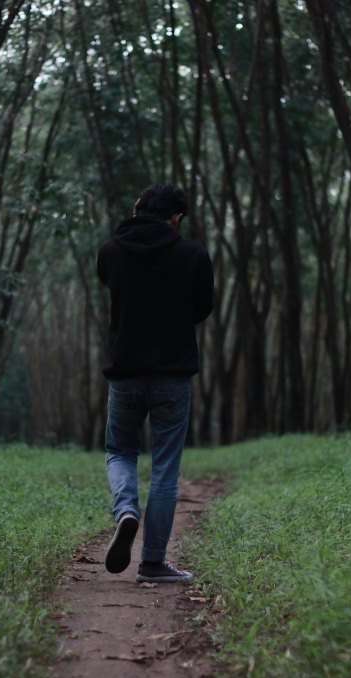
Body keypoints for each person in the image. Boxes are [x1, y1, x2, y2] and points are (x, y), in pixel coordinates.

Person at [95, 183, 214, 583]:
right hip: (173, 376)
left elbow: (108, 282)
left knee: (120, 451)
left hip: (125, 374)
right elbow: (202, 308)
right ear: (176, 218)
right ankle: (152, 563)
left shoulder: (111, 251)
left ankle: (126, 509)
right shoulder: (193, 254)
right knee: (165, 468)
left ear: (137, 208)